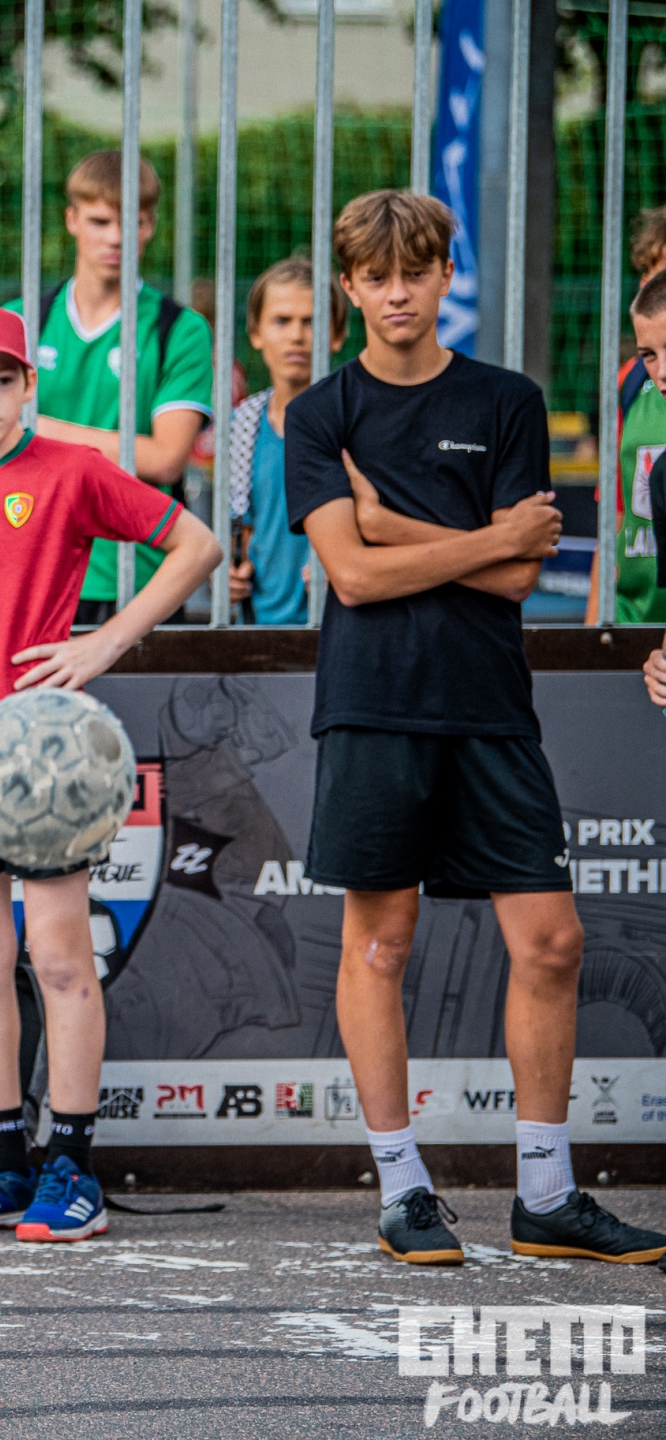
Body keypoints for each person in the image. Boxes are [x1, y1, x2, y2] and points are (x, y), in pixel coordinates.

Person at [287, 189, 665, 1266]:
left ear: (448, 273)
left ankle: (545, 1195)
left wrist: (392, 522)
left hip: (490, 706)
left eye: (417, 271)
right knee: (380, 944)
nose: (398, 293)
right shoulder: (321, 413)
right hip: (371, 703)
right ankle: (403, 1189)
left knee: (553, 942)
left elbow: (517, 579)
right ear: (349, 285)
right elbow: (353, 578)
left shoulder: (508, 399)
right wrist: (481, 537)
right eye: (376, 277)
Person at [0, 303, 219, 1244]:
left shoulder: (71, 471)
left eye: (3, 379)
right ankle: (2, 1167)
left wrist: (106, 641)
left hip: (47, 763)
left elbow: (196, 545)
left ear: (30, 386)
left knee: (61, 957)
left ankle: (72, 1164)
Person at [7, 150, 215, 622]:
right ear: (71, 220)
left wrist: (37, 430)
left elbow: (166, 459)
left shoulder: (179, 329)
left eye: (132, 223)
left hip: (140, 577)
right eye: (100, 221)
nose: (116, 238)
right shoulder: (20, 320)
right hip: (33, 566)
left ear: (151, 226)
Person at [226, 257, 347, 625]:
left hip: (339, 625)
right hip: (257, 627)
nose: (297, 335)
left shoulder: (354, 421)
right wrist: (225, 575)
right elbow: (238, 527)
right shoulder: (242, 425)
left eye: (311, 322)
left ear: (337, 335)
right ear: (256, 334)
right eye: (282, 321)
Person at [588, 206, 666, 624]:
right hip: (633, 618)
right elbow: (612, 518)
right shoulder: (630, 381)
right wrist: (594, 626)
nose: (655, 285)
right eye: (649, 273)